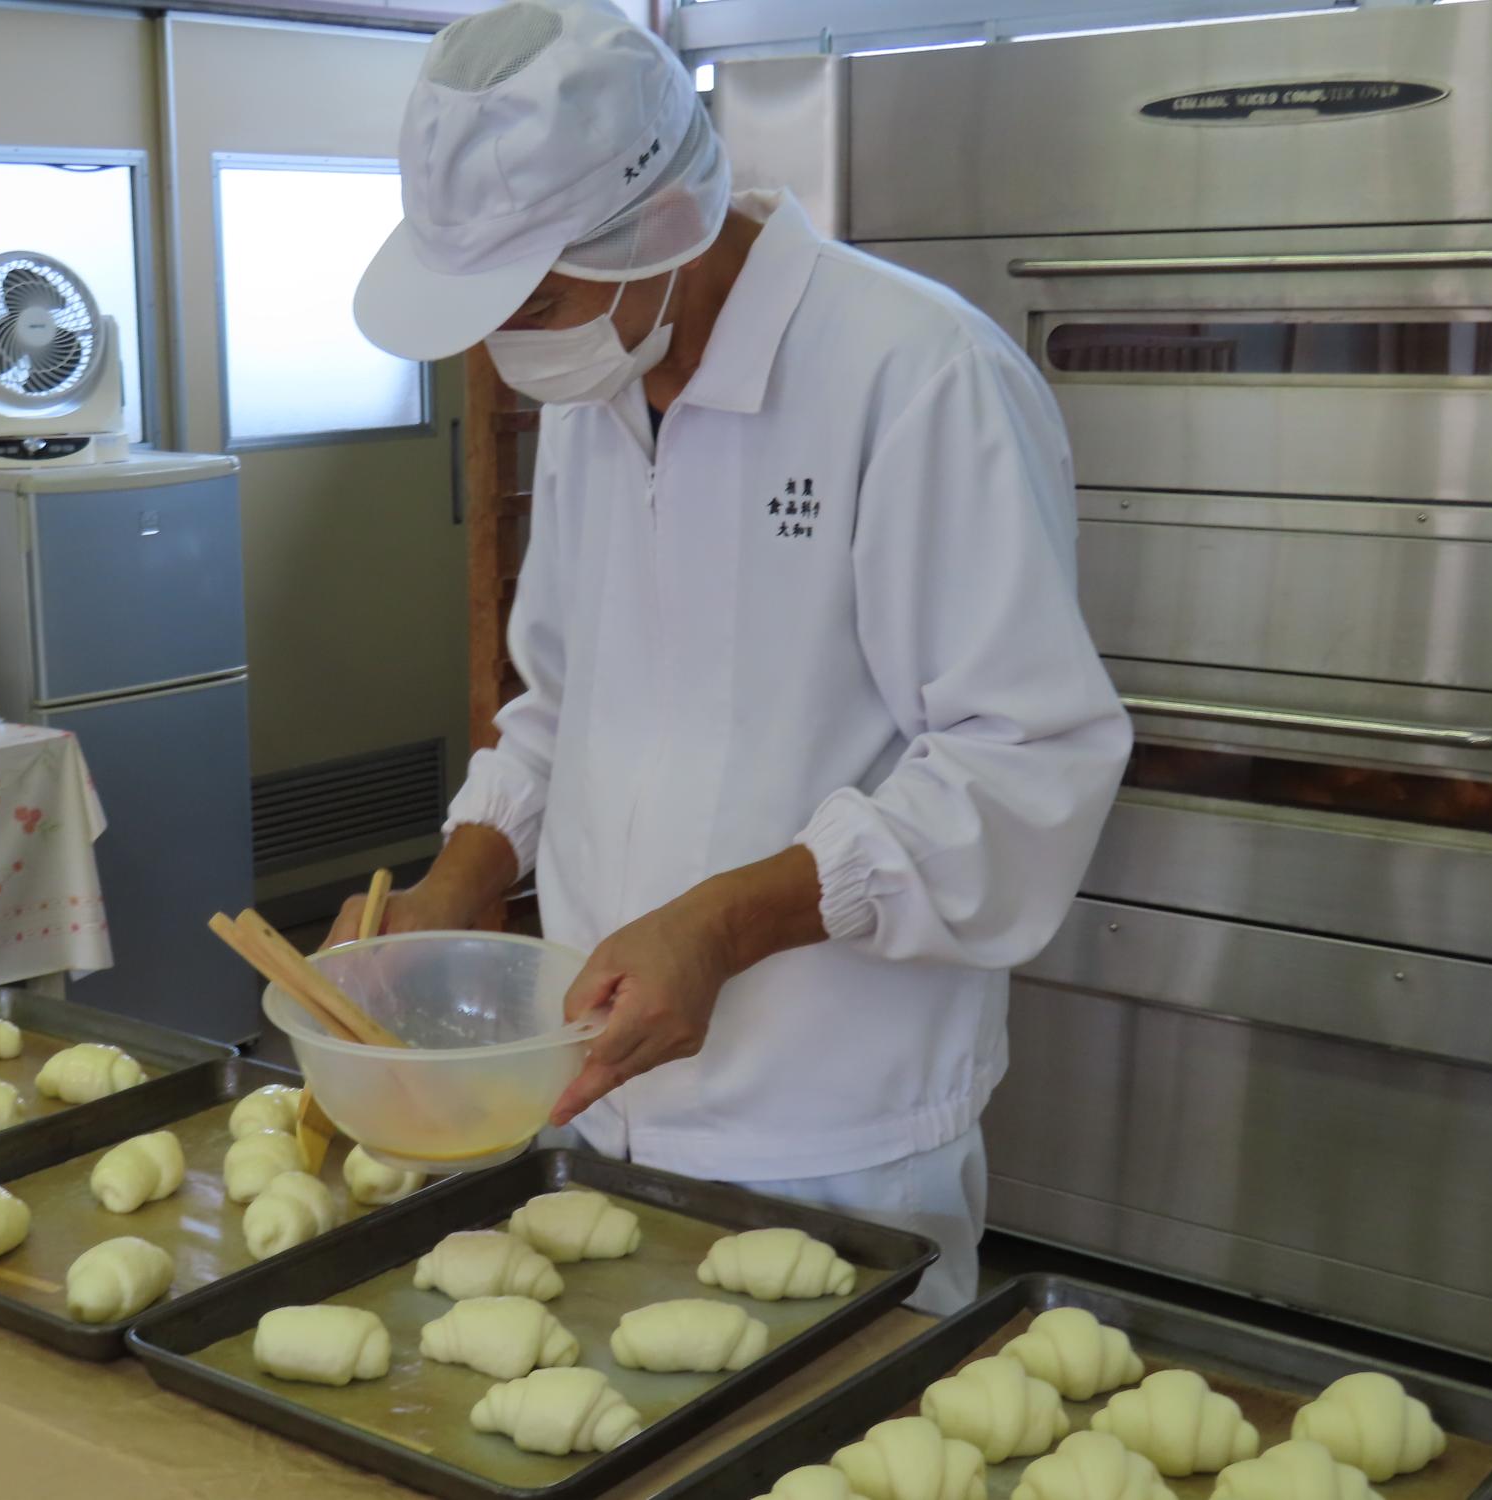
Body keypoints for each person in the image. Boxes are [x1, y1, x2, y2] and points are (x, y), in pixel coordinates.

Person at [331, 0, 1131, 1311]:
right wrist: (458, 881)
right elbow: (562, 704)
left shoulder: (914, 377)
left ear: (659, 225)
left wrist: (729, 922)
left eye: (533, 297)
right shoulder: (603, 381)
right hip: (590, 1100)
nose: (506, 348)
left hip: (832, 1144)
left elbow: (1021, 763)